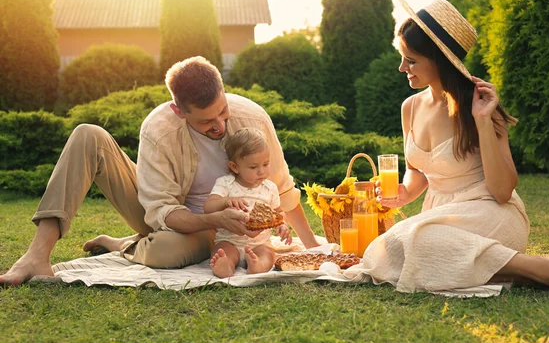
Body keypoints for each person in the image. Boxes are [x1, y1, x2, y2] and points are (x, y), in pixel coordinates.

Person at [0, 56, 319, 287]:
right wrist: (213, 218)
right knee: (87, 135)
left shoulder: (252, 119)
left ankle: (121, 244)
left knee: (165, 252)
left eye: (222, 112)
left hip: (214, 232)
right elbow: (160, 211)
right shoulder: (158, 129)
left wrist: (313, 248)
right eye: (207, 122)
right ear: (179, 111)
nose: (220, 125)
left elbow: (282, 187)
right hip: (171, 214)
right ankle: (36, 256)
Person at [361, 0, 549, 297]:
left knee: (415, 242)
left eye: (410, 60)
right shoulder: (409, 107)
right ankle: (519, 272)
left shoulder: (481, 106)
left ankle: (543, 268)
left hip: (489, 214)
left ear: (439, 60)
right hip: (441, 218)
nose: (401, 67)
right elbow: (416, 172)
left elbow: (502, 191)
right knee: (385, 248)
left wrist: (483, 121)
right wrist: (405, 192)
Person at [205, 128, 292, 278]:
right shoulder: (226, 184)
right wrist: (226, 200)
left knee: (268, 253)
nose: (261, 172)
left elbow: (277, 213)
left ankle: (258, 265)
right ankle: (225, 265)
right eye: (253, 167)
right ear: (235, 167)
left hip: (259, 243)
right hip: (230, 240)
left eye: (266, 164)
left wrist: (282, 225)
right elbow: (208, 207)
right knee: (222, 250)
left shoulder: (269, 188)